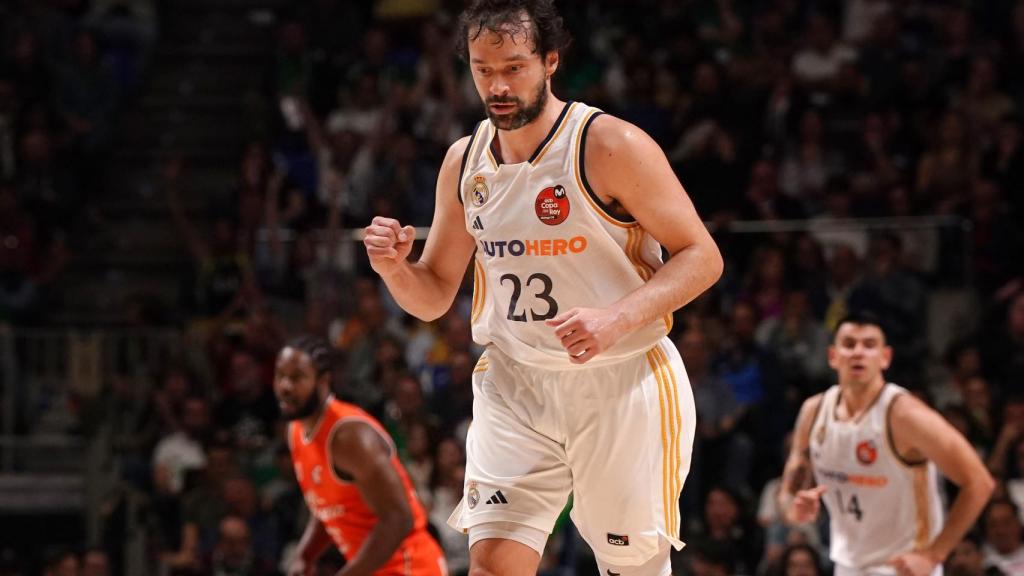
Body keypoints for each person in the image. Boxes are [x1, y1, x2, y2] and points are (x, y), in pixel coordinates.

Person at [362, 1, 723, 574]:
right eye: (483, 69)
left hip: (618, 380)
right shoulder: (465, 160)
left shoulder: (609, 145)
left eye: (514, 67)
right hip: (515, 382)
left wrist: (617, 318)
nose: (498, 85)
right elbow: (431, 297)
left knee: (631, 568)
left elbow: (703, 256)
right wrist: (394, 268)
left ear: (550, 61)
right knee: (493, 564)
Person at [779, 312, 994, 576]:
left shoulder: (905, 415)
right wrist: (794, 509)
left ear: (885, 357)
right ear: (833, 356)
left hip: (904, 567)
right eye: (849, 344)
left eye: (869, 345)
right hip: (848, 565)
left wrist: (933, 555)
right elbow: (790, 488)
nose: (858, 352)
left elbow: (980, 482)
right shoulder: (814, 411)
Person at [273, 336, 447, 575]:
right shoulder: (296, 431)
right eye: (280, 375)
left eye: (297, 377)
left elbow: (399, 518)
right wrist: (305, 555)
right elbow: (327, 504)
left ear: (323, 381)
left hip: (411, 567)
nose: (285, 386)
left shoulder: (350, 437)